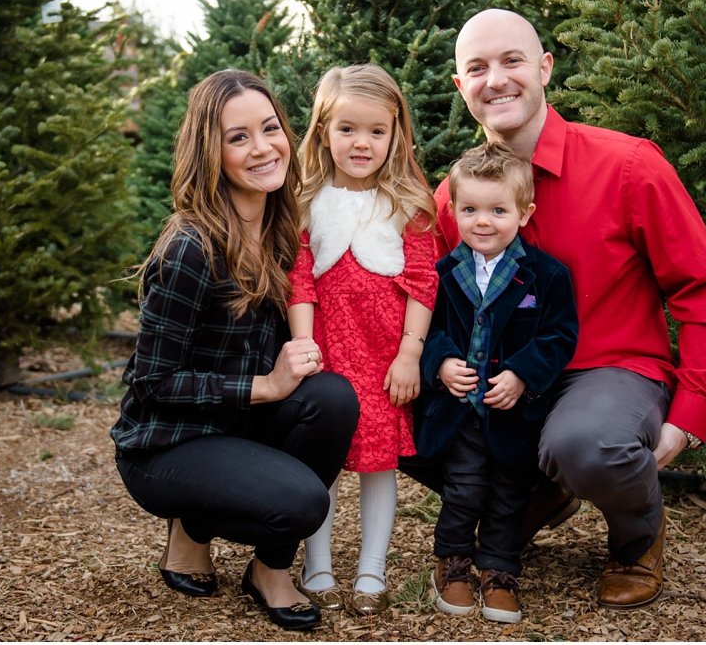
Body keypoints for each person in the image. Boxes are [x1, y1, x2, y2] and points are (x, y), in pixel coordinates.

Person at [413, 9, 706, 610]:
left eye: (512, 61)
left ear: (544, 68)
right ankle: (532, 494)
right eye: (477, 69)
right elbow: (435, 306)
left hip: (605, 369)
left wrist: (690, 410)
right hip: (497, 379)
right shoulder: (455, 198)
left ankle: (636, 538)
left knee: (586, 443)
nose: (497, 80)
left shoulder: (629, 166)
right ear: (461, 88)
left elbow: (704, 290)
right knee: (394, 408)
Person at [110, 70, 360, 631]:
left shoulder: (279, 227)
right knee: (300, 503)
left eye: (270, 128)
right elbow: (152, 382)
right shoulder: (189, 249)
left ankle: (270, 569)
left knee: (334, 398)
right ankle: (190, 526)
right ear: (210, 151)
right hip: (167, 443)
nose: (263, 147)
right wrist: (264, 387)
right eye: (238, 137)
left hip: (239, 425)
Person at [287, 64, 439, 616]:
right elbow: (299, 278)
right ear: (323, 130)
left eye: (377, 131)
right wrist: (304, 348)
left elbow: (424, 281)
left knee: (378, 462)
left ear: (396, 133)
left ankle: (372, 571)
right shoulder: (305, 199)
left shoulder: (409, 201)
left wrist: (410, 353)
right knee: (322, 459)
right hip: (328, 349)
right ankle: (318, 562)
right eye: (347, 128)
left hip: (384, 357)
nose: (362, 143)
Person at [415, 143, 578, 623]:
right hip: (461, 408)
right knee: (463, 488)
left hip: (514, 412)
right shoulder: (441, 276)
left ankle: (501, 568)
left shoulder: (545, 276)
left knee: (510, 492)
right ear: (454, 211)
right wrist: (442, 363)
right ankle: (453, 561)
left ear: (524, 213)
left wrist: (524, 373)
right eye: (470, 210)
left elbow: (559, 335)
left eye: (497, 210)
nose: (482, 222)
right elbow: (424, 330)